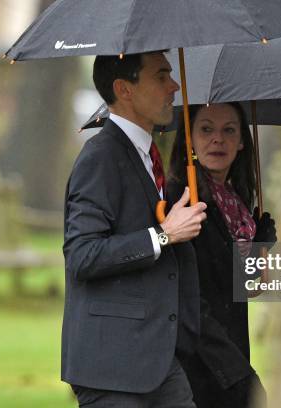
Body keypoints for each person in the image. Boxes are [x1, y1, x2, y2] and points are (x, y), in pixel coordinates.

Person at [62, 51, 208, 407]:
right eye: (161, 76)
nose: (174, 86)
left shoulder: (147, 154)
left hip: (157, 362)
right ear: (124, 89)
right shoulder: (100, 157)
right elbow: (82, 256)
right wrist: (163, 235)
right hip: (112, 368)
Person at [166, 103, 277, 408]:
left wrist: (261, 245)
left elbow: (247, 285)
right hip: (198, 362)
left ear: (242, 141)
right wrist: (233, 370)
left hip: (232, 350)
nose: (218, 139)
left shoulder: (236, 201)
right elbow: (188, 297)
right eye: (206, 129)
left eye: (229, 130)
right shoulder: (182, 198)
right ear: (189, 140)